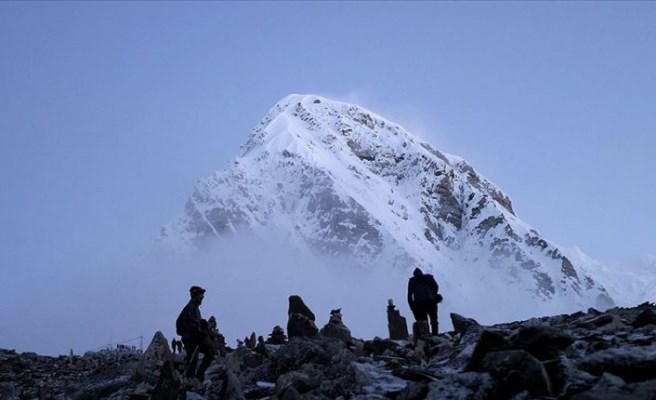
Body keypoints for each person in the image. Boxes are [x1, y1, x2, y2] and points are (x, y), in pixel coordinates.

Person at [176, 285, 215, 387]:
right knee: (193, 358)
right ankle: (190, 380)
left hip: (195, 337)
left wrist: (201, 325)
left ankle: (197, 377)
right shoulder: (190, 307)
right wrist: (198, 330)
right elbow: (188, 323)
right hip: (190, 338)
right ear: (196, 296)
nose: (202, 298)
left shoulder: (195, 309)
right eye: (201, 295)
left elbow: (194, 323)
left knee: (209, 353)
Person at [407, 267, 442, 335]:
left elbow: (409, 295)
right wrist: (433, 295)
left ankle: (426, 336)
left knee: (423, 321)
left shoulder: (412, 281)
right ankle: (435, 335)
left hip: (420, 304)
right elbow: (436, 287)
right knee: (434, 320)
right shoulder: (429, 278)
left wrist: (412, 306)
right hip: (431, 302)